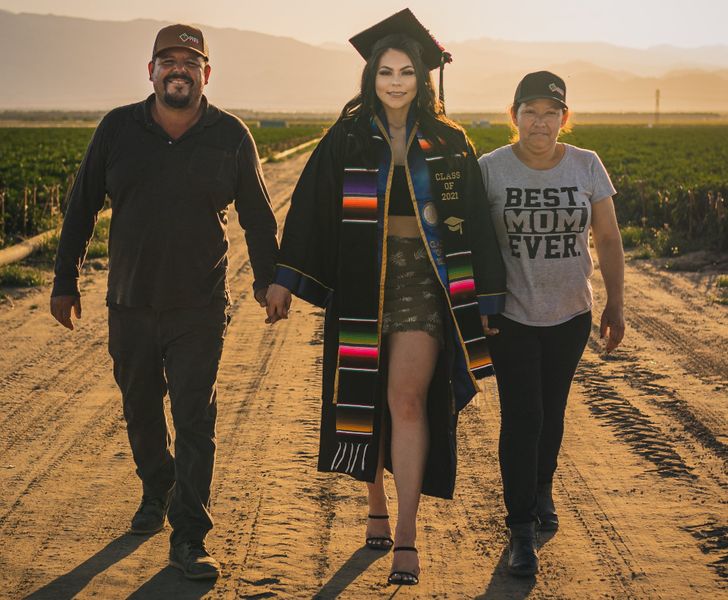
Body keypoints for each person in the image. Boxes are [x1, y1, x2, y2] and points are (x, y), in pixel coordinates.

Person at [265, 9, 505, 586]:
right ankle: (374, 502)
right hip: (360, 284)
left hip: (424, 282)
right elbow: (308, 210)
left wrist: (487, 301)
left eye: (406, 72)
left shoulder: (449, 142)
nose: (396, 81)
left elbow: (474, 219)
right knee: (365, 398)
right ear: (371, 77)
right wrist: (285, 276)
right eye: (385, 72)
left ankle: (406, 534)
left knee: (406, 401)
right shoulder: (346, 136)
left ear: (422, 78)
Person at [49, 24, 278, 580]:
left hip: (198, 306)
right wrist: (64, 279)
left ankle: (190, 537)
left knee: (195, 418)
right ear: (150, 70)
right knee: (141, 410)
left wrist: (270, 281)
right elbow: (80, 208)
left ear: (207, 73)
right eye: (167, 60)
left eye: (190, 61)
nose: (179, 69)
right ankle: (157, 486)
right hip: (129, 302)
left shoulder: (230, 135)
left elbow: (258, 215)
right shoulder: (117, 129)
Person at [478, 71, 625, 577]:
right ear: (513, 116)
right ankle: (521, 529)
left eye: (550, 113)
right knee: (523, 416)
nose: (539, 122)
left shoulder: (587, 166)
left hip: (570, 314)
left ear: (564, 118)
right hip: (512, 316)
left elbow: (607, 239)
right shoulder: (491, 169)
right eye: (529, 112)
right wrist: (474, 303)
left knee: (553, 411)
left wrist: (616, 304)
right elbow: (472, 243)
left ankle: (542, 488)